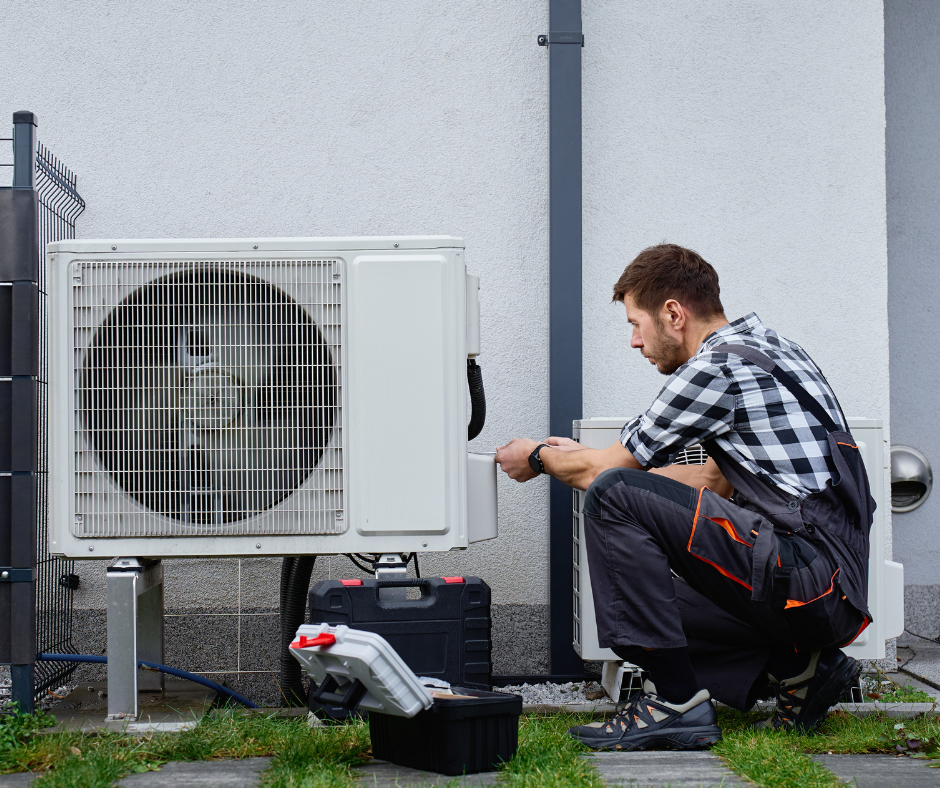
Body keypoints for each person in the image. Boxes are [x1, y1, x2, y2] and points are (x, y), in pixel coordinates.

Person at [494, 244, 874, 751]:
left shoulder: (715, 368)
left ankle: (674, 703)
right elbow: (712, 482)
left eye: (636, 323)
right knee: (647, 592)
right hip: (828, 586)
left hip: (807, 576)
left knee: (611, 496)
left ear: (673, 313)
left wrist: (538, 456)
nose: (634, 342)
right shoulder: (770, 348)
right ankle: (803, 669)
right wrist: (590, 459)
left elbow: (609, 476)